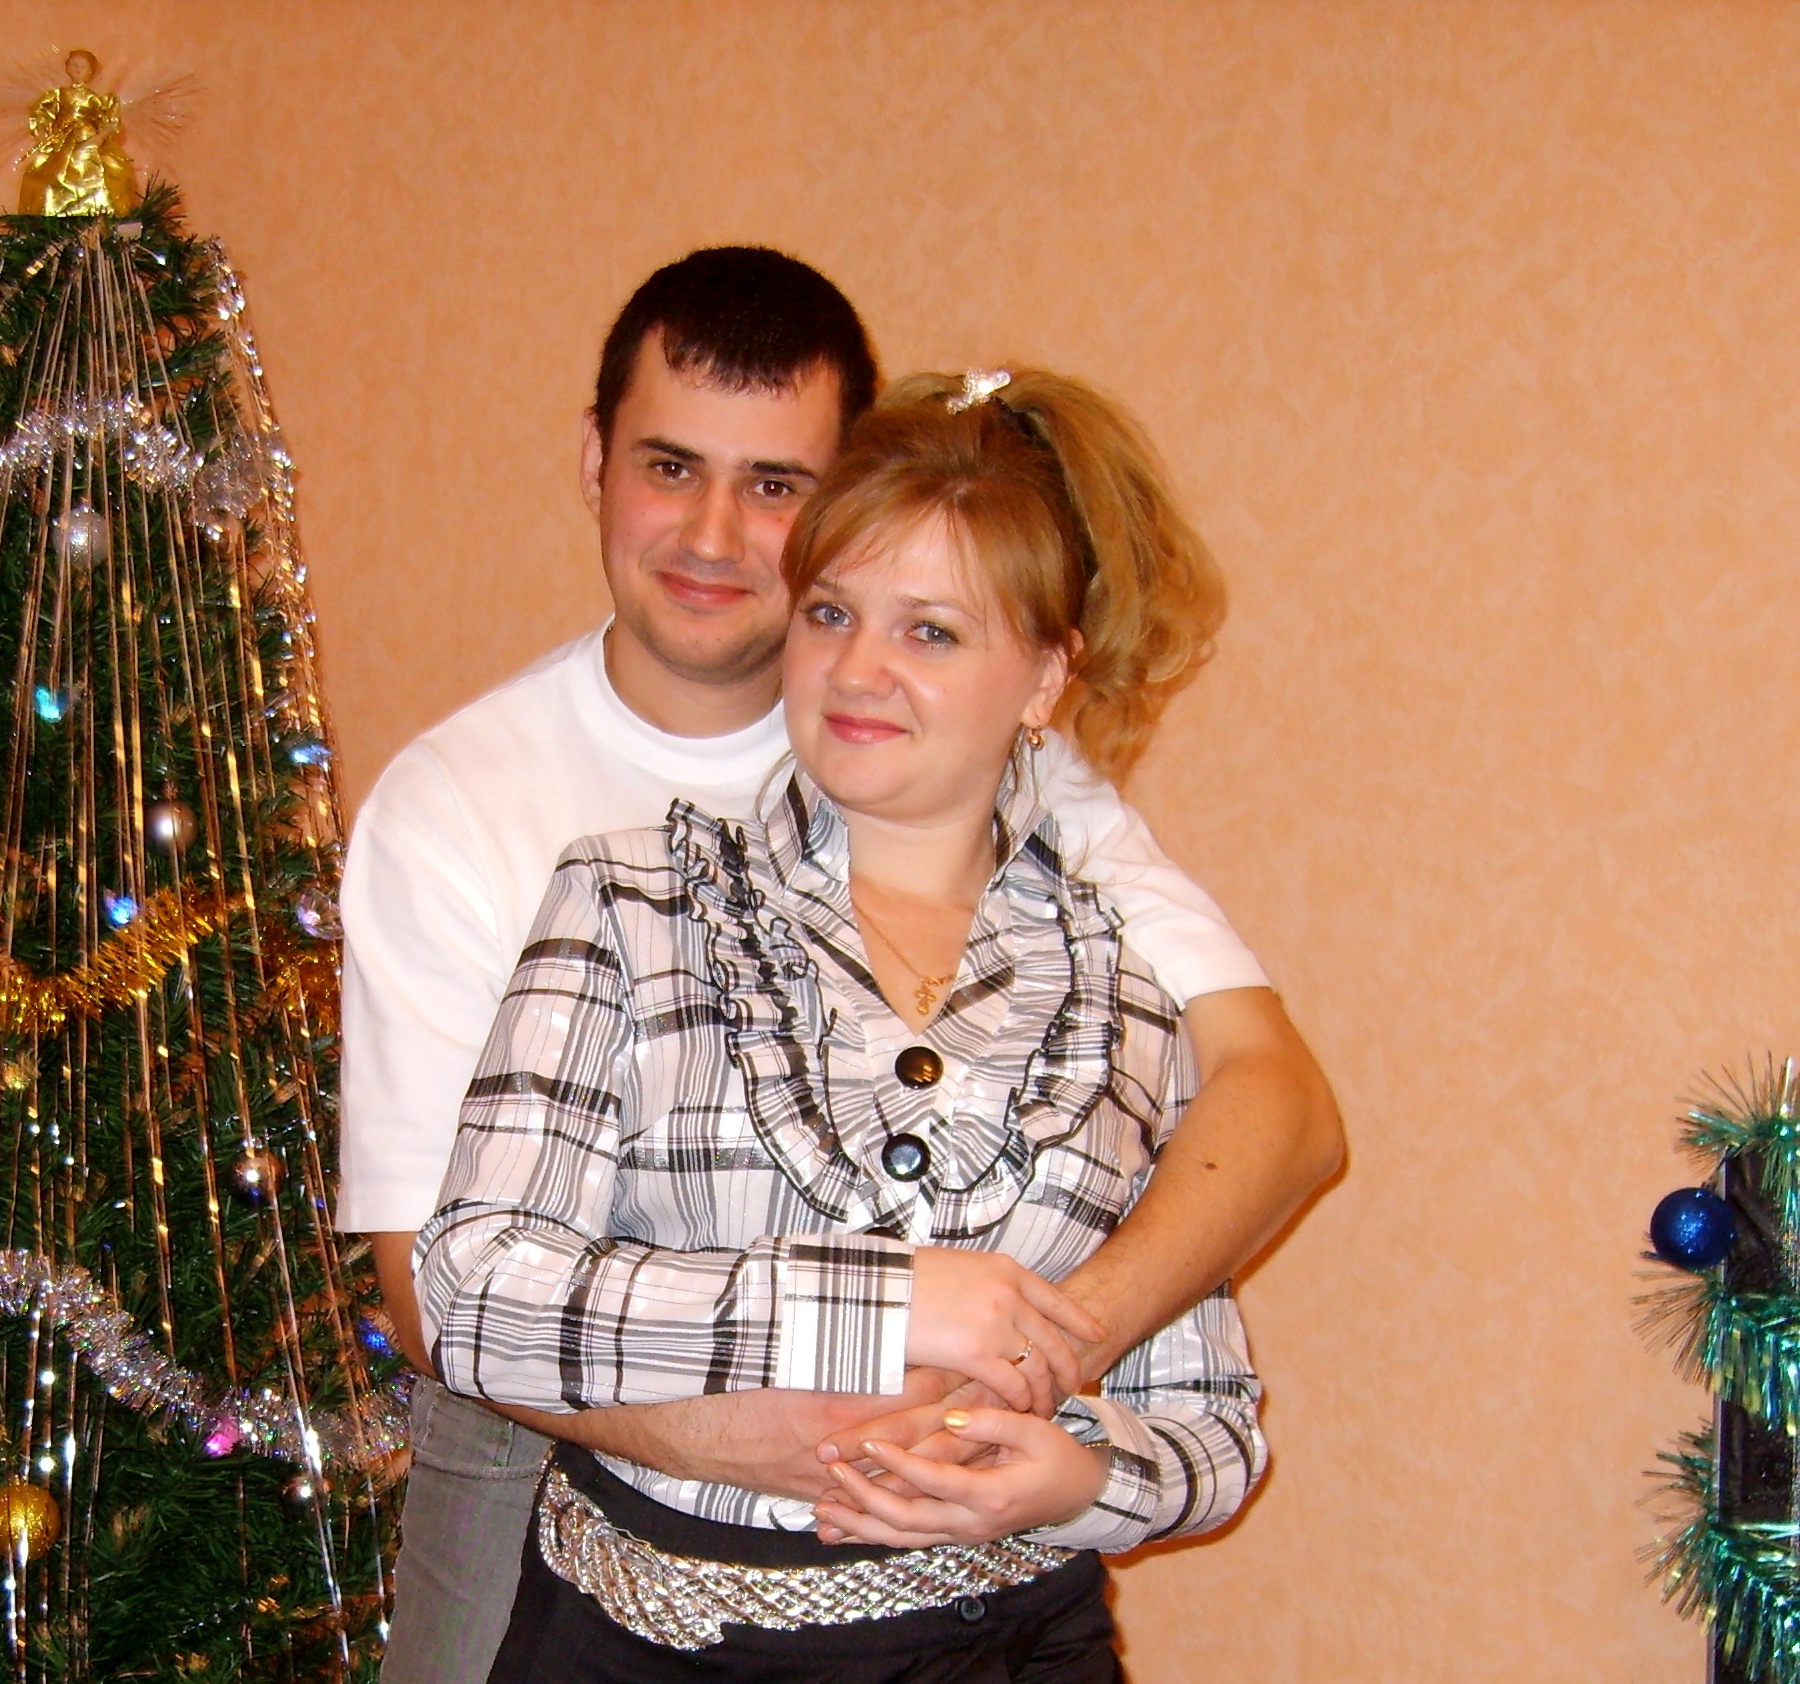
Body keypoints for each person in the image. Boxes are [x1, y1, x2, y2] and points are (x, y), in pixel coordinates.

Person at [339, 250, 1341, 1683]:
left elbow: (1268, 1151)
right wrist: (858, 1340)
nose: (714, 534)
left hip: (1004, 1630)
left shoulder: (1094, 919)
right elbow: (452, 1293)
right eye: (670, 466)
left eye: (772, 485)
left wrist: (1065, 1435)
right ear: (597, 459)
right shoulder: (561, 857)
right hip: (594, 1521)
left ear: (1041, 681)